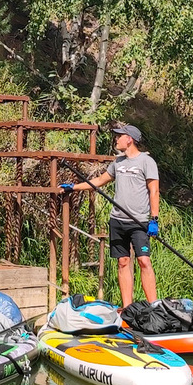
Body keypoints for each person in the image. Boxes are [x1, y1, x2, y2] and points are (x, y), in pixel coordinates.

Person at [65, 122, 162, 307]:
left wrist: (154, 219)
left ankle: (154, 306)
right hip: (118, 220)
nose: (116, 139)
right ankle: (127, 308)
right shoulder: (118, 162)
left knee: (143, 260)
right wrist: (74, 187)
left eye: (119, 136)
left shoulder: (146, 162)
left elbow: (154, 191)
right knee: (123, 262)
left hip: (139, 221)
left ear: (129, 139)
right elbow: (100, 180)